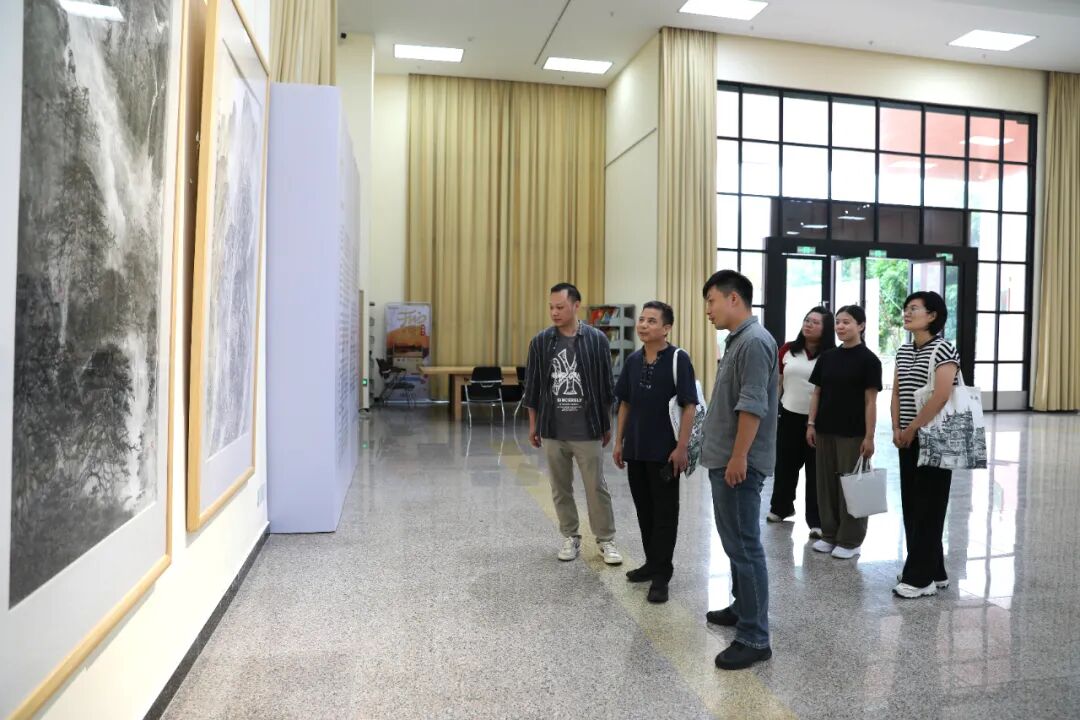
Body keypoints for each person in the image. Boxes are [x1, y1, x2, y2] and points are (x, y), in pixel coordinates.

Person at [700, 270, 778, 671]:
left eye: (711, 301)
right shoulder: (738, 340)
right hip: (727, 458)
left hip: (738, 463)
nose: (708, 310)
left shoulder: (754, 342)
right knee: (735, 543)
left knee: (745, 547)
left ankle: (754, 637)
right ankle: (741, 606)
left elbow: (752, 405)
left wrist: (738, 457)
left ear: (733, 299)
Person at [524, 283, 622, 565]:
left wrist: (606, 424)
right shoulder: (541, 342)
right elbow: (533, 387)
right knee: (560, 487)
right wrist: (533, 425)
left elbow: (606, 386)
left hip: (588, 429)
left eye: (560, 307)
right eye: (551, 307)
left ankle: (605, 540)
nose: (554, 312)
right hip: (553, 429)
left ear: (576, 306)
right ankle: (570, 536)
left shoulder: (596, 340)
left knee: (596, 487)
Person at [612, 301, 699, 604]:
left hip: (665, 452)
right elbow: (625, 403)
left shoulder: (678, 359)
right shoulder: (633, 360)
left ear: (666, 328)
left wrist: (681, 447)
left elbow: (689, 406)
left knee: (664, 514)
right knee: (644, 510)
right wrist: (619, 442)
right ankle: (651, 562)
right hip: (636, 449)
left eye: (651, 321)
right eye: (642, 319)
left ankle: (662, 575)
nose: (643, 325)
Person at [891, 291, 960, 599]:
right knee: (912, 503)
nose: (907, 313)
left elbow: (942, 395)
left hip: (936, 437)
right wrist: (897, 427)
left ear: (932, 316)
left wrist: (912, 428)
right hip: (907, 437)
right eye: (906, 308)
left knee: (929, 506)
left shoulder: (944, 349)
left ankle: (920, 579)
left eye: (914, 308)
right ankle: (933, 569)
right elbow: (897, 392)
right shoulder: (904, 351)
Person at [806, 305, 882, 560]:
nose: (840, 326)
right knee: (826, 485)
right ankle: (829, 534)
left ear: (861, 326)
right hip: (825, 430)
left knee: (851, 485)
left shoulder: (869, 360)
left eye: (846, 322)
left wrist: (869, 437)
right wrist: (811, 424)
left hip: (853, 433)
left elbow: (870, 402)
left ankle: (850, 540)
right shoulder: (828, 357)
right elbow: (817, 393)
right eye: (838, 322)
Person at [767, 307, 835, 537]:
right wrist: (771, 411)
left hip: (818, 421)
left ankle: (816, 520)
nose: (809, 324)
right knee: (785, 465)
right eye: (807, 320)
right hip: (788, 415)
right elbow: (778, 382)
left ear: (826, 328)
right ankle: (781, 507)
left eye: (815, 322)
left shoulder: (831, 355)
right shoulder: (788, 349)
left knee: (816, 471)